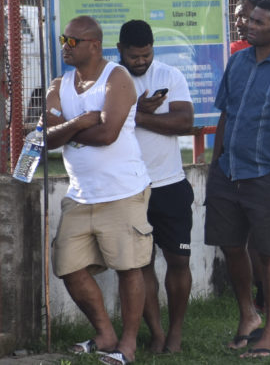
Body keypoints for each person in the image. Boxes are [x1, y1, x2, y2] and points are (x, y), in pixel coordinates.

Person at [44, 16, 152, 365]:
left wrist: (65, 132)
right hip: (80, 195)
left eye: (72, 41)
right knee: (66, 265)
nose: (65, 46)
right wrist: (78, 122)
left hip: (122, 191)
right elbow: (45, 139)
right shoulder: (58, 86)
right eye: (64, 39)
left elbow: (108, 135)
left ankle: (129, 345)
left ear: (93, 44)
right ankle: (105, 334)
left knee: (128, 267)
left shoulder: (116, 78)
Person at [207, 0, 270, 358]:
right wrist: (215, 161)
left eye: (260, 22)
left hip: (264, 177)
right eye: (250, 20)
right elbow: (225, 115)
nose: (250, 26)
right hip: (227, 173)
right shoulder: (236, 61)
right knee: (232, 247)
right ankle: (247, 316)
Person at [117, 20, 195, 355]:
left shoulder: (169, 76)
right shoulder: (110, 79)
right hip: (129, 189)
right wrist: (137, 112)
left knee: (178, 260)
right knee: (141, 265)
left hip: (170, 185)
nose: (140, 62)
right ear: (120, 50)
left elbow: (184, 122)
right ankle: (157, 334)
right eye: (134, 56)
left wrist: (134, 116)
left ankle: (175, 332)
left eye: (146, 55)